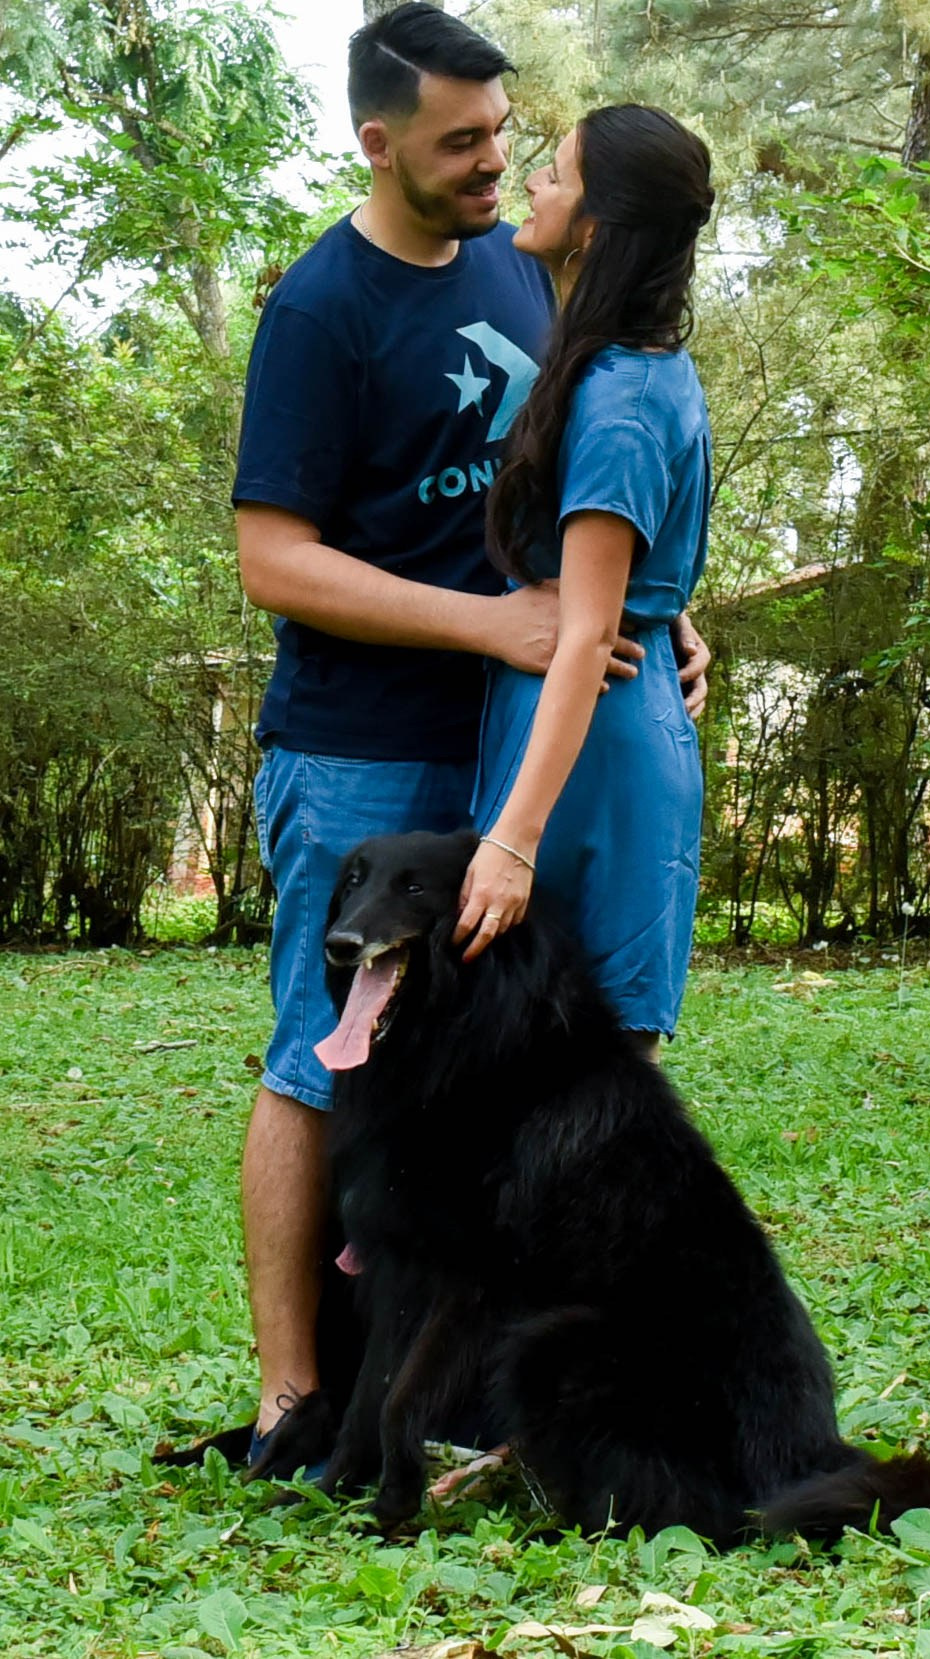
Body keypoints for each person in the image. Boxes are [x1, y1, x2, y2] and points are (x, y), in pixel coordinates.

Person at [232, 6, 708, 1457]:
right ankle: (292, 1391)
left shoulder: (526, 266)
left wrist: (655, 610)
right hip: (363, 741)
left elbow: (604, 477)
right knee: (327, 1057)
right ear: (378, 145)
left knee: (489, 1069)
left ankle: (436, 1387)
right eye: (462, 143)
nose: (496, 164)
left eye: (507, 134)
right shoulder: (321, 311)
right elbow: (274, 559)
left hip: (520, 745)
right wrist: (497, 626)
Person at [457, 106, 714, 1064]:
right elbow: (622, 564)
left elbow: (584, 626)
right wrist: (673, 607)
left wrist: (513, 841)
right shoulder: (613, 369)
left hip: (590, 747)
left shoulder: (622, 402)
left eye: (555, 174)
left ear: (598, 227)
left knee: (590, 1101)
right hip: (576, 719)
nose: (530, 182)